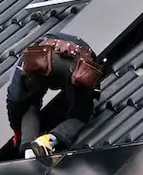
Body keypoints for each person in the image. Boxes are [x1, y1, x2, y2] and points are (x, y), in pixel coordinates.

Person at [6, 31, 103, 160]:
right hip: (80, 62)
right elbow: (92, 77)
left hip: (42, 57)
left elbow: (14, 98)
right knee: (79, 115)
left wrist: (17, 129)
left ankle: (29, 149)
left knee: (29, 105)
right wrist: (88, 97)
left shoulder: (25, 58)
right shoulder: (38, 47)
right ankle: (50, 140)